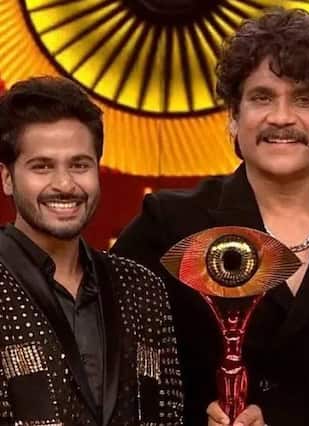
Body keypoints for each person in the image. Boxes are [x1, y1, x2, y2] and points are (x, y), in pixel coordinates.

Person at [112, 8, 309, 426]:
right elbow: (108, 361)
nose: (282, 118)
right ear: (234, 116)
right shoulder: (168, 226)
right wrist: (190, 416)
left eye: (304, 99)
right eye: (262, 97)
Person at [0, 76, 183, 425]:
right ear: (7, 179)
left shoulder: (142, 289)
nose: (65, 184)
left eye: (79, 165)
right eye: (42, 166)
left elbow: (167, 415)